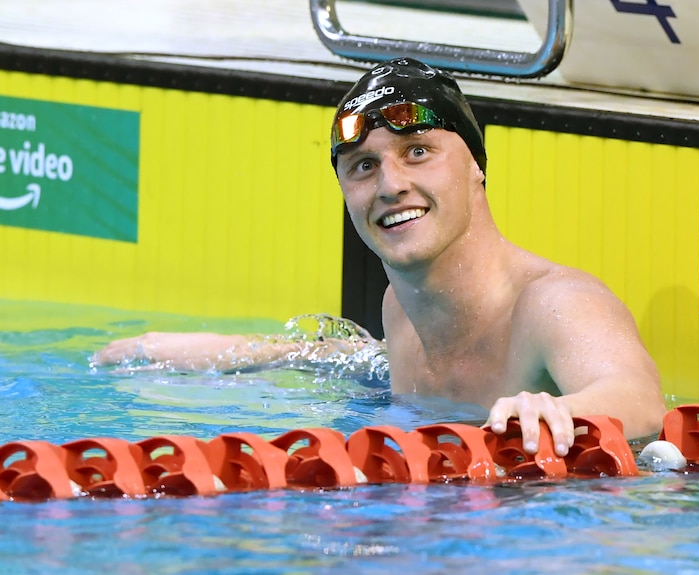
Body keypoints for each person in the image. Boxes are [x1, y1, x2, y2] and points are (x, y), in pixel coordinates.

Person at [93, 57, 667, 456]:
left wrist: (557, 410)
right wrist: (244, 354)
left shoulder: (555, 303)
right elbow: (361, 358)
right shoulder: (401, 312)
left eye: (418, 151)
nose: (390, 184)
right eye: (363, 166)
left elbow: (638, 399)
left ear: (476, 167)